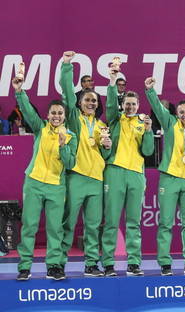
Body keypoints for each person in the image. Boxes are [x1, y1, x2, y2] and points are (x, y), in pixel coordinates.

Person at [12, 76, 77, 280]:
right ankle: (24, 267)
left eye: (60, 113)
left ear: (64, 116)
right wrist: (19, 91)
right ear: (48, 115)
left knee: (55, 229)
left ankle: (54, 266)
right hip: (34, 182)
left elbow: (70, 164)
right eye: (53, 113)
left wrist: (63, 145)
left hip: (56, 186)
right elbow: (28, 110)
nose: (56, 116)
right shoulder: (40, 128)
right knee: (29, 225)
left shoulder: (70, 136)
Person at [146, 77, 185, 276]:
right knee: (165, 223)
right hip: (169, 178)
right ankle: (165, 262)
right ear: (177, 113)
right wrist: (150, 91)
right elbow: (157, 107)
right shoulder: (171, 124)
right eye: (181, 112)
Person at [59, 51, 112, 277]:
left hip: (96, 180)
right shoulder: (74, 119)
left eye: (94, 101)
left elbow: (105, 157)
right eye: (87, 100)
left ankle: (91, 264)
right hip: (77, 178)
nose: (91, 103)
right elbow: (68, 92)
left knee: (93, 226)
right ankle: (57, 263)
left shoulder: (101, 126)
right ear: (80, 103)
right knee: (68, 223)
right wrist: (67, 65)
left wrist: (107, 147)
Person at [101, 66, 155, 276]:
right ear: (122, 105)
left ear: (138, 106)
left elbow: (148, 151)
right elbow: (110, 103)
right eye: (127, 104)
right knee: (112, 221)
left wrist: (149, 131)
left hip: (136, 175)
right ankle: (107, 263)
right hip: (114, 172)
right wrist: (113, 80)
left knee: (134, 222)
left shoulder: (143, 124)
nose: (130, 107)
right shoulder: (115, 119)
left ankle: (133, 262)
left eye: (133, 104)